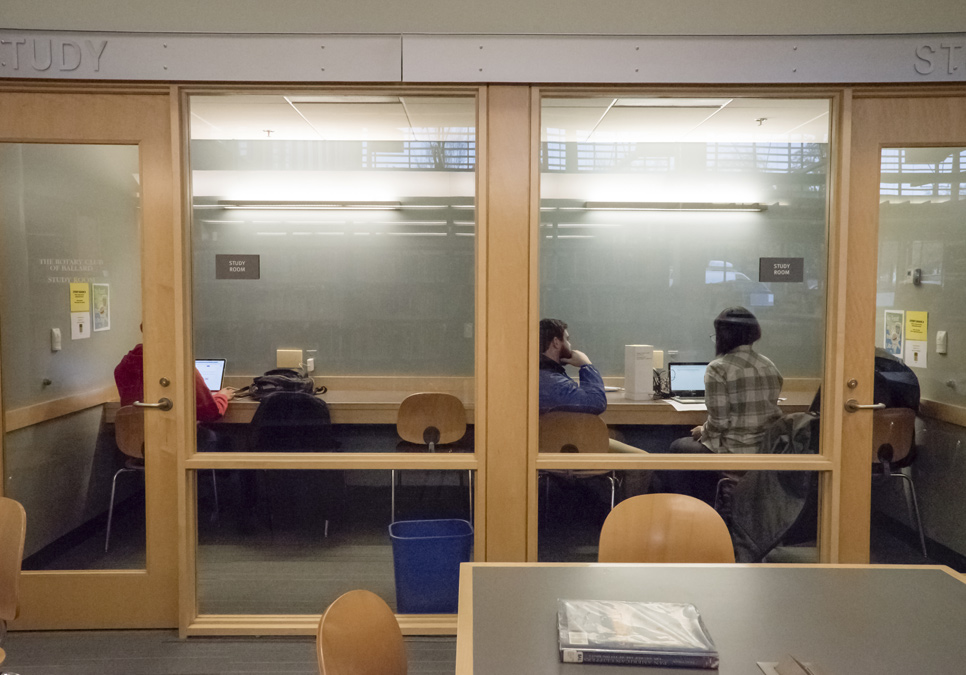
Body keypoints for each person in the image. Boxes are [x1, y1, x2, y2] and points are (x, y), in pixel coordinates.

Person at [666, 307, 783, 501]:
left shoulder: (718, 368)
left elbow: (719, 423)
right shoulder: (768, 364)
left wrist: (702, 432)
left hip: (734, 452)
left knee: (678, 447)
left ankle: (693, 510)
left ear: (723, 335)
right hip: (766, 450)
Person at [114, 341, 235, 424]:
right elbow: (210, 413)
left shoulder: (123, 366)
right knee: (217, 438)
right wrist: (222, 397)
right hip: (170, 442)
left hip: (134, 442)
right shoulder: (180, 365)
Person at [538, 318, 607, 415]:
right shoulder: (555, 383)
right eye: (567, 339)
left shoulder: (541, 374)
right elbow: (597, 403)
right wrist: (586, 366)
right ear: (556, 342)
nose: (570, 345)